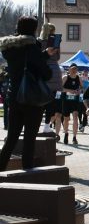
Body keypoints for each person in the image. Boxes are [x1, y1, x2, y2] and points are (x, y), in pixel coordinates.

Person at [0, 16, 55, 172]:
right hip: (32, 99)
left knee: (11, 138)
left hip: (14, 97)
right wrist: (45, 60)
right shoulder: (32, 49)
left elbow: (24, 61)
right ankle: (27, 172)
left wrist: (44, 54)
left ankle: (1, 169)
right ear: (34, 30)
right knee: (30, 138)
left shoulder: (9, 49)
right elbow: (46, 74)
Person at [60, 64, 84, 144]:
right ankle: (66, 133)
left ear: (77, 70)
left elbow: (81, 87)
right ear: (69, 70)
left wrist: (79, 91)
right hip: (66, 100)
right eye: (72, 69)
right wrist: (70, 90)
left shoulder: (79, 78)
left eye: (75, 69)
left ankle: (74, 137)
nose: (74, 70)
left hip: (75, 100)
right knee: (66, 118)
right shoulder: (65, 77)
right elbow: (60, 88)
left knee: (75, 117)